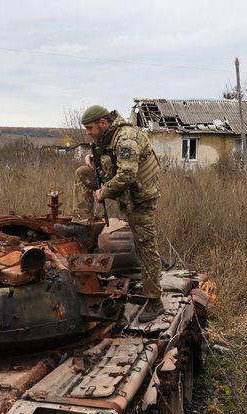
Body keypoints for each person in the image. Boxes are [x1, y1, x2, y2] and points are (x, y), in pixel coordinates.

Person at [54, 105, 164, 322]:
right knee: (83, 173)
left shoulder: (126, 139)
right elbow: (108, 157)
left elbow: (127, 175)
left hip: (140, 197)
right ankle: (81, 227)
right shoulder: (108, 135)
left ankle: (154, 300)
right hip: (124, 190)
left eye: (90, 127)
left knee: (145, 246)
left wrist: (103, 192)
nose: (87, 132)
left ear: (103, 123)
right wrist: (92, 159)